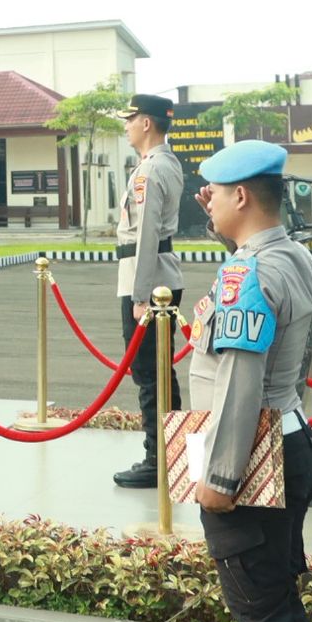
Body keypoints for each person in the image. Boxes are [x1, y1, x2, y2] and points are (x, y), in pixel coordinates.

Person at [191, 140, 312, 622]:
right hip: (290, 441)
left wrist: (221, 477)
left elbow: (239, 379)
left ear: (242, 197)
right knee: (281, 607)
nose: (213, 202)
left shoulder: (246, 274)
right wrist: (220, 224)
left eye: (220, 195)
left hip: (252, 462)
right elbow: (253, 262)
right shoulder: (291, 255)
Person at [112, 95, 186, 488]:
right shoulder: (163, 164)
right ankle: (168, 453)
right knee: (157, 369)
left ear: (146, 124)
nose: (126, 126)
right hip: (159, 277)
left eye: (130, 119)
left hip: (148, 280)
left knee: (148, 372)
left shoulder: (149, 171)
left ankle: (158, 459)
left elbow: (145, 234)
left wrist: (140, 296)